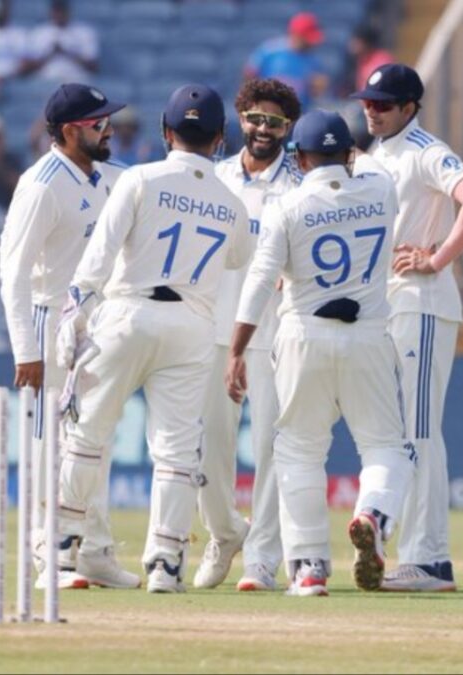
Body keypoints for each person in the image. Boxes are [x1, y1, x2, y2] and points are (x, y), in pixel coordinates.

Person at [54, 83, 254, 593]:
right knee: (176, 452)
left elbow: (98, 256)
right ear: (219, 139)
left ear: (167, 132)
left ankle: (62, 550)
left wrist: (73, 319)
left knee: (87, 434)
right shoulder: (232, 203)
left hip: (126, 312)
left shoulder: (139, 178)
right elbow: (235, 258)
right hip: (191, 325)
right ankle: (166, 562)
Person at [226, 110, 412, 595]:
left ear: (300, 158)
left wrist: (237, 350)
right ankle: (373, 512)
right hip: (369, 335)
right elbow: (369, 165)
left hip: (301, 335)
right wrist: (352, 154)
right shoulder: (380, 190)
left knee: (298, 452)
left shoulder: (287, 206)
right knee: (386, 447)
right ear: (348, 154)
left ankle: (308, 569)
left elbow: (261, 281)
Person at [352, 63, 463, 592]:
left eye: (383, 104)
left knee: (416, 429)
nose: (372, 109)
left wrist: (436, 259)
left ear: (410, 107)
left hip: (423, 301)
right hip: (387, 304)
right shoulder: (374, 156)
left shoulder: (426, 150)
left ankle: (420, 553)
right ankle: (425, 559)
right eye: (368, 101)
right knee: (406, 431)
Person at [0, 82, 133, 590]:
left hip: (99, 324)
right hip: (49, 320)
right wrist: (25, 350)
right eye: (99, 123)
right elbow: (12, 273)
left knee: (94, 440)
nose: (109, 129)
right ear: (72, 130)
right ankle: (46, 553)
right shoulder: (41, 184)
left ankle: (94, 550)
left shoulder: (108, 178)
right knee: (47, 443)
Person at [195, 78, 302, 592]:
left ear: (289, 128)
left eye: (275, 122)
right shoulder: (214, 178)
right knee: (205, 450)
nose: (263, 129)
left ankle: (262, 559)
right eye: (255, 118)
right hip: (212, 330)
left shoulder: (298, 187)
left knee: (270, 450)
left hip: (274, 334)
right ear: (239, 119)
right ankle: (224, 533)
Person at [243, 12, 327, 110]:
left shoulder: (313, 61)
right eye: (306, 38)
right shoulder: (270, 51)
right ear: (295, 34)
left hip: (297, 115)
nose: (310, 44)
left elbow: (316, 93)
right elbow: (249, 74)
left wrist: (318, 89)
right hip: (266, 111)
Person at [22, 0, 99, 82]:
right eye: (56, 11)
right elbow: (29, 67)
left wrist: (67, 52)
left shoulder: (85, 32)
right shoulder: (39, 32)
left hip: (77, 79)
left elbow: (93, 66)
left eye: (62, 11)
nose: (59, 15)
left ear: (68, 12)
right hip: (47, 80)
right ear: (51, 12)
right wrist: (51, 53)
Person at [347, 25, 393, 94]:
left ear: (366, 43)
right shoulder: (361, 59)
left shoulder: (382, 61)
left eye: (356, 41)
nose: (352, 44)